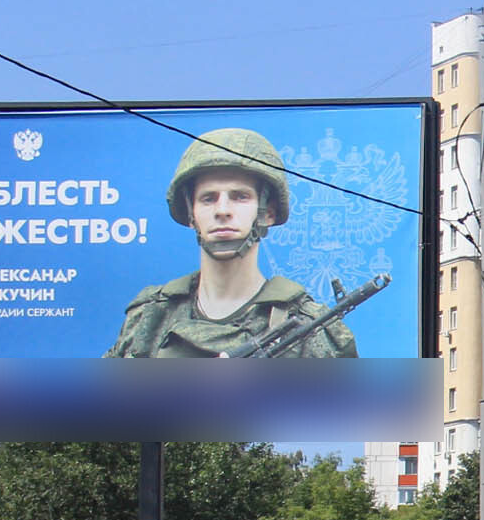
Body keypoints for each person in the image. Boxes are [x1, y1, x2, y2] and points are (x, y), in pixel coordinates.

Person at [105, 128, 361, 368]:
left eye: (240, 197)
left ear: (267, 212)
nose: (223, 210)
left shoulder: (307, 327)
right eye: (208, 198)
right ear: (192, 214)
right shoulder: (150, 317)